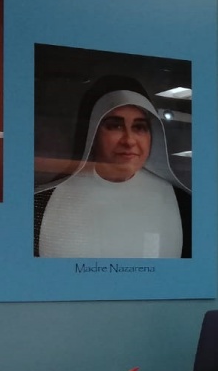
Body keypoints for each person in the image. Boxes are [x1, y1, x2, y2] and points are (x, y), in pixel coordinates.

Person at [34, 76, 191, 258]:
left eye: (139, 127)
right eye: (115, 126)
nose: (129, 140)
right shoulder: (42, 201)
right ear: (92, 132)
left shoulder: (183, 204)